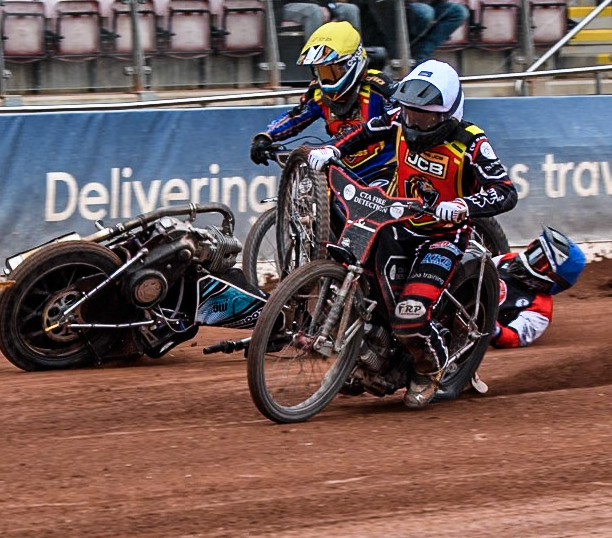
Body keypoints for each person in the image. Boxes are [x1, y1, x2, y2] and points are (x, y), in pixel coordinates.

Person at [305, 59, 518, 408]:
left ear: (448, 114)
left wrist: (464, 205)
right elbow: (367, 130)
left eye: (424, 116)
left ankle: (429, 368)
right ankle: (369, 356)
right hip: (396, 223)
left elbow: (505, 191)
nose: (413, 121)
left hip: (442, 237)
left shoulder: (472, 142)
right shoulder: (400, 118)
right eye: (409, 112)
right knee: (362, 284)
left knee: (409, 316)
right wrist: (334, 149)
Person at [250, 21, 396, 188]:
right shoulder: (318, 94)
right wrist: (266, 137)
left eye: (332, 71)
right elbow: (296, 116)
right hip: (343, 173)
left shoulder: (378, 88)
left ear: (351, 63)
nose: (326, 78)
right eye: (321, 71)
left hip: (383, 170)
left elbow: (402, 119)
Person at [491, 226, 586, 348]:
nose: (528, 256)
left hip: (473, 323)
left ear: (553, 277)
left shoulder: (541, 310)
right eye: (534, 249)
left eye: (539, 259)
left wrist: (494, 329)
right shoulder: (509, 259)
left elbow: (515, 336)